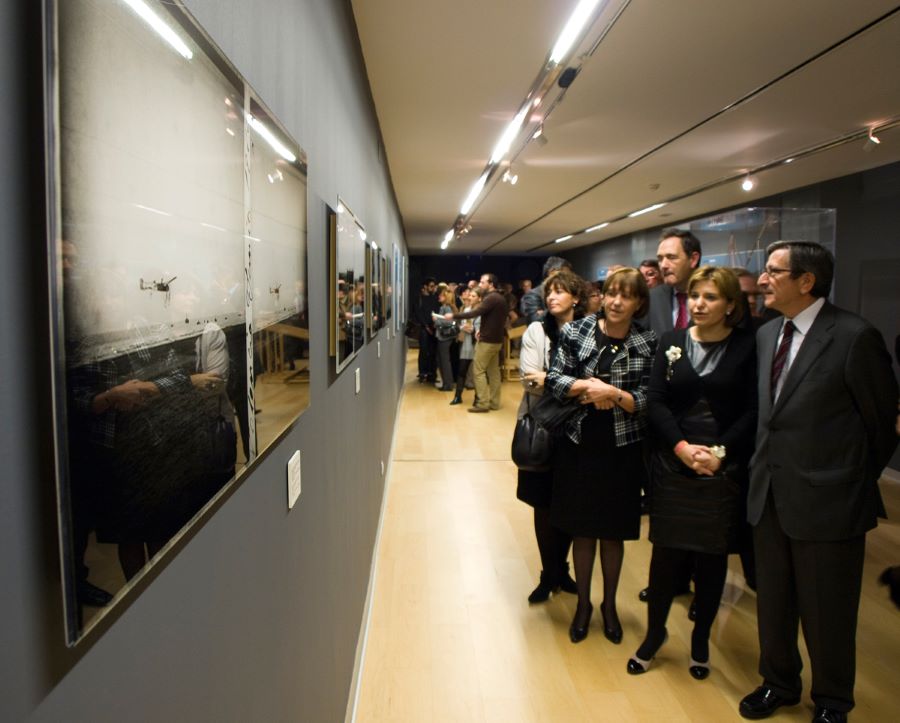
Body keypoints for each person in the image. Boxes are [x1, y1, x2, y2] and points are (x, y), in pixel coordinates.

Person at [738, 241, 898, 723]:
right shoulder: (769, 333)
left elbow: (880, 425)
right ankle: (778, 682)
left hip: (830, 502)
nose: (762, 279)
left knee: (828, 610)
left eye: (773, 271)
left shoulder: (854, 336)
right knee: (774, 603)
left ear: (806, 281)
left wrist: (844, 481)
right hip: (769, 494)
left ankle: (832, 701)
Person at [628, 266, 757, 680]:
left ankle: (701, 639)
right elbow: (656, 401)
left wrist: (718, 453)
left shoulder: (747, 346)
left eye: (710, 297)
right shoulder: (671, 341)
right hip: (673, 462)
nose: (699, 304)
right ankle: (655, 633)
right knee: (665, 554)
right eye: (695, 296)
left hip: (721, 466)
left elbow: (753, 410)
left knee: (711, 557)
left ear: (730, 305)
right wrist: (682, 448)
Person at [544, 268, 657, 645]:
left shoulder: (648, 341)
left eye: (626, 296)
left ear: (639, 303)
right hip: (580, 441)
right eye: (611, 293)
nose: (616, 302)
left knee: (612, 532)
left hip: (622, 447)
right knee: (582, 529)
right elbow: (555, 379)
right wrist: (589, 388)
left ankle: (609, 605)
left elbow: (651, 398)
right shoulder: (576, 331)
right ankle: (584, 605)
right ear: (602, 296)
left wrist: (615, 395)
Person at [518, 270, 587, 603]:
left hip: (579, 431)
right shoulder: (536, 330)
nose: (551, 297)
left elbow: (597, 380)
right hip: (542, 428)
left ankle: (563, 569)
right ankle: (549, 573)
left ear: (576, 298)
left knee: (571, 500)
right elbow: (529, 380)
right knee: (542, 503)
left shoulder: (590, 330)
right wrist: (578, 387)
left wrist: (552, 380)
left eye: (560, 291)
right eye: (549, 292)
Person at [447, 273, 508, 413]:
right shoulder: (500, 298)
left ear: (491, 284)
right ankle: (494, 403)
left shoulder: (491, 298)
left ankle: (482, 403)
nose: (479, 285)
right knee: (493, 372)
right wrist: (482, 329)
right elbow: (496, 320)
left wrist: (454, 315)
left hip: (487, 341)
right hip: (496, 340)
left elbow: (475, 313)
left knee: (478, 371)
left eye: (482, 282)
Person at [520, 256, 572, 324]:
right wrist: (564, 309)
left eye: (567, 275)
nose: (565, 278)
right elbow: (535, 322)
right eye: (560, 275)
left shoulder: (570, 290)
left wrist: (544, 313)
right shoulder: (533, 295)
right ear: (549, 274)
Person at [450, 288, 478, 405]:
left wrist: (472, 329)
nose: (470, 298)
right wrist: (462, 327)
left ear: (479, 298)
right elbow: (460, 324)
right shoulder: (466, 310)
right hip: (466, 343)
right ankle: (458, 396)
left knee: (477, 373)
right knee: (462, 370)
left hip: (477, 344)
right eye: (470, 295)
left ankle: (478, 398)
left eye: (473, 296)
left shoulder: (481, 311)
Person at [433, 285, 459, 391]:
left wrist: (436, 321)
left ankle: (448, 385)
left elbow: (449, 322)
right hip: (445, 337)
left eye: (441, 295)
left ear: (446, 297)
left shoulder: (446, 307)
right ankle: (447, 383)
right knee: (442, 360)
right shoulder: (446, 307)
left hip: (444, 338)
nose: (439, 296)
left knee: (444, 361)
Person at [414, 277, 439, 383]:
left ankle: (432, 374)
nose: (433, 288)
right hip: (424, 329)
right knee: (424, 351)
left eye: (434, 286)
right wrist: (426, 326)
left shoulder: (435, 298)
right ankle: (422, 373)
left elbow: (437, 312)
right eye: (431, 286)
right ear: (425, 286)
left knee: (433, 352)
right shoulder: (418, 298)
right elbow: (418, 313)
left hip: (434, 328)